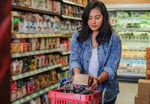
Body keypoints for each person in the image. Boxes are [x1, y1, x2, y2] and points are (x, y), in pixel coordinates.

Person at [69, 0, 122, 104]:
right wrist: (77, 75)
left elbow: (111, 67)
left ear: (104, 18)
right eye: (89, 18)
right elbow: (75, 59)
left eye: (97, 18)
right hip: (83, 91)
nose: (93, 22)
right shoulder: (78, 37)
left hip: (106, 92)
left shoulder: (113, 39)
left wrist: (98, 80)